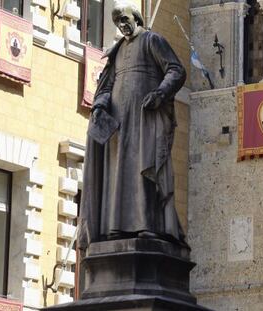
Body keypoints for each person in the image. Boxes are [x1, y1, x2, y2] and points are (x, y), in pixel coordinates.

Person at [78, 2, 187, 250]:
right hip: (119, 125)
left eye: (125, 19)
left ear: (136, 18)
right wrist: (99, 107)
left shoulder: (152, 40)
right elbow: (105, 87)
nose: (122, 25)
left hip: (145, 119)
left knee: (144, 169)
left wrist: (160, 93)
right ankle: (117, 228)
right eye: (118, 23)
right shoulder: (116, 52)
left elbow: (176, 70)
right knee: (118, 176)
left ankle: (148, 225)